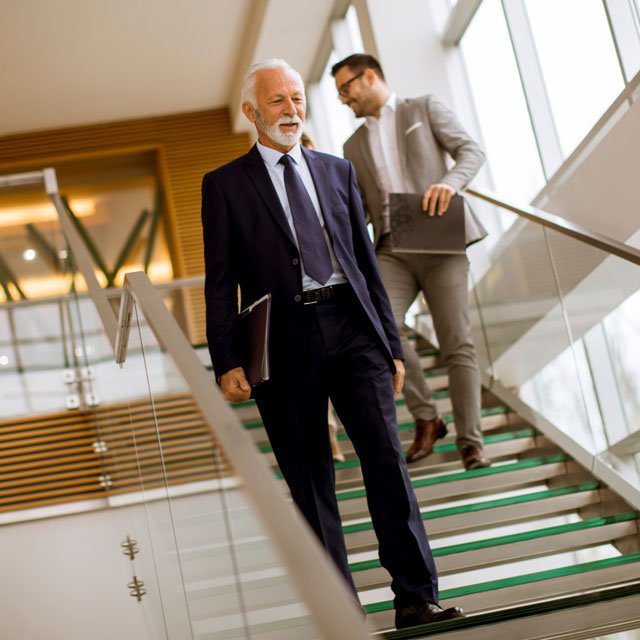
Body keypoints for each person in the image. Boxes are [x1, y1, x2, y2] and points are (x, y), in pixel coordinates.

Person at [201, 58, 465, 628]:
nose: (291, 110)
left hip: (353, 328)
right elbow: (219, 281)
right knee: (309, 479)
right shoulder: (223, 185)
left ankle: (416, 598)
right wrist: (225, 359)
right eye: (277, 101)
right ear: (252, 112)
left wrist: (391, 345)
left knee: (388, 462)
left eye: (297, 98)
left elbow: (366, 265)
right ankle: (342, 615)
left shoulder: (337, 170)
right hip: (282, 341)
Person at [332, 53, 491, 471]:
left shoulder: (423, 107)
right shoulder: (352, 145)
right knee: (382, 329)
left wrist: (449, 183)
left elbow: (470, 151)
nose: (343, 99)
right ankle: (426, 417)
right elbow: (360, 210)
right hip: (391, 247)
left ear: (369, 77)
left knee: (457, 343)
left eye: (346, 88)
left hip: (440, 237)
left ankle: (470, 442)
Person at [301, 130, 345, 463]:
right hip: (302, 300)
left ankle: (334, 430)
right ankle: (328, 431)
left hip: (339, 297)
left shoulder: (330, 183)